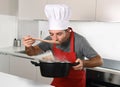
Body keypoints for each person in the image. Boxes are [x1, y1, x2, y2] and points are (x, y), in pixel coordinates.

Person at [23, 4, 103, 87]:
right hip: (59, 80)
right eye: (51, 34)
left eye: (59, 34)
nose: (55, 38)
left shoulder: (80, 41)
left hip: (76, 83)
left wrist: (83, 63)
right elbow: (32, 52)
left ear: (68, 30)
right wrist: (28, 46)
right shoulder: (50, 40)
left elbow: (99, 61)